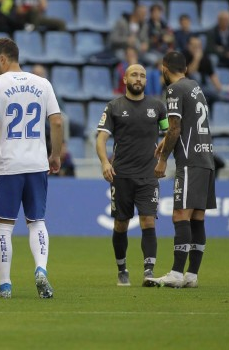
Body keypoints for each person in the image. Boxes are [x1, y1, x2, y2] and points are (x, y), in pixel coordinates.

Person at [0, 37, 63, 299]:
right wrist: (55, 154)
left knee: (4, 226)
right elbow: (57, 122)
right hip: (37, 163)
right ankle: (41, 269)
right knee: (36, 221)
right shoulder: (42, 83)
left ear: (3, 59)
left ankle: (5, 286)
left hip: (9, 165)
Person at [145, 51, 216, 288]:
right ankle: (191, 275)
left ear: (165, 68)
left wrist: (163, 159)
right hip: (205, 158)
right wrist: (166, 141)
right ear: (184, 68)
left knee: (180, 215)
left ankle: (176, 273)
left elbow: (175, 128)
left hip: (190, 160)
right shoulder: (194, 86)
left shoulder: (174, 90)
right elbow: (184, 126)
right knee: (197, 218)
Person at [96, 64, 168, 287]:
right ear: (125, 79)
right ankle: (122, 269)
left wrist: (164, 154)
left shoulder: (157, 107)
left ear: (146, 81)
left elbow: (169, 133)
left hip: (149, 174)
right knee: (121, 224)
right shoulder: (114, 106)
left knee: (148, 220)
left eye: (143, 76)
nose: (139, 79)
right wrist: (105, 162)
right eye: (134, 75)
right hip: (122, 175)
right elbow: (101, 139)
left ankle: (148, 271)